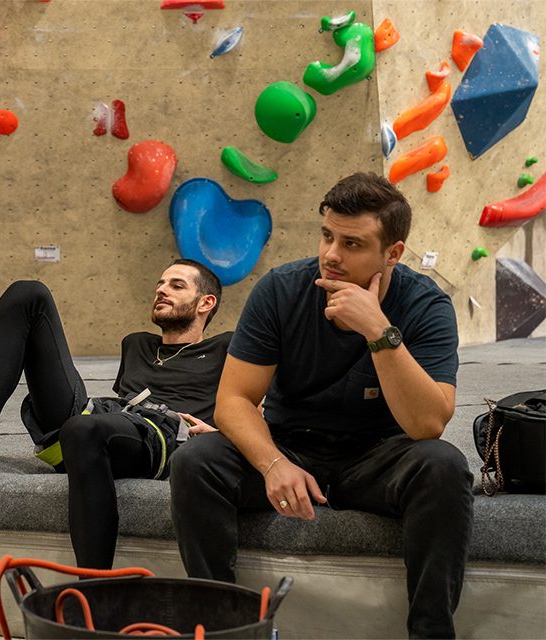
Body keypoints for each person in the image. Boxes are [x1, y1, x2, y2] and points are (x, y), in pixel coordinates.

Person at [169, 172, 472, 639]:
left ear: (392, 254)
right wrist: (272, 463)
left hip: (379, 456)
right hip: (291, 447)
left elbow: (428, 424)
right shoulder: (280, 290)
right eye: (327, 235)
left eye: (352, 244)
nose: (331, 254)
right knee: (195, 460)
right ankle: (222, 626)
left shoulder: (426, 305)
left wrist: (378, 331)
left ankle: (430, 633)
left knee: (444, 465)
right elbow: (233, 402)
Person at [0, 260, 232, 569]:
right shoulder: (136, 345)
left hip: (161, 437)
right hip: (104, 420)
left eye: (176, 286)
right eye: (160, 284)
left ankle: (95, 586)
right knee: (28, 294)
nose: (161, 290)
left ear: (206, 302)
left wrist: (219, 436)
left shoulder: (226, 348)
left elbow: (258, 407)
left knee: (83, 429)